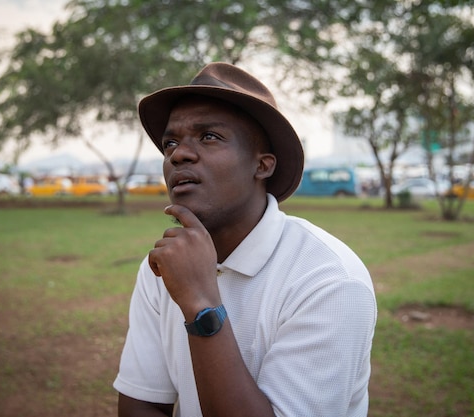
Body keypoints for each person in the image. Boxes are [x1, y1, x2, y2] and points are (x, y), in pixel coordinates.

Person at [114, 62, 377, 417]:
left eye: (209, 136)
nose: (178, 154)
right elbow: (142, 403)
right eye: (170, 143)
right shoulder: (165, 266)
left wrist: (201, 305)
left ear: (262, 165)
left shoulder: (329, 279)